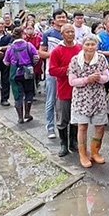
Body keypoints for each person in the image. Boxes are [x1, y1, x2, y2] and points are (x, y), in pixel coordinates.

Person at [69, 36, 109, 169]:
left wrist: (99, 78)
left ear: (97, 46)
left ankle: (95, 152)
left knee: (100, 126)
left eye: (93, 44)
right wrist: (87, 79)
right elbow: (72, 81)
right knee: (82, 126)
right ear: (83, 45)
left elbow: (107, 77)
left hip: (98, 97)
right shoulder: (76, 60)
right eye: (88, 44)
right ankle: (83, 154)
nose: (90, 47)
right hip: (81, 98)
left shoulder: (102, 59)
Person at [48, 23, 81, 158]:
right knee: (62, 118)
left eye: (72, 31)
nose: (70, 34)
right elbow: (52, 70)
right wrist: (67, 70)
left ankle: (73, 141)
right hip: (63, 89)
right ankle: (63, 143)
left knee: (76, 117)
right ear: (62, 34)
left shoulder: (79, 48)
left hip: (78, 89)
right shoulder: (57, 51)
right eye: (67, 32)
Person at [41, 10, 68, 140]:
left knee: (65, 101)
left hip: (67, 74)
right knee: (51, 100)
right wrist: (55, 54)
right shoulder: (48, 34)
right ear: (54, 20)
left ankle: (65, 127)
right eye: (59, 17)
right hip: (51, 72)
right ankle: (50, 127)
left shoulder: (69, 33)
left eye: (64, 17)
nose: (62, 19)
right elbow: (41, 52)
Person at [4, 27, 40, 124]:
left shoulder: (10, 48)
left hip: (15, 73)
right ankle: (27, 114)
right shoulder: (29, 45)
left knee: (17, 95)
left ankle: (20, 117)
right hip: (28, 71)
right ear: (23, 34)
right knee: (29, 93)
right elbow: (36, 57)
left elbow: (6, 62)